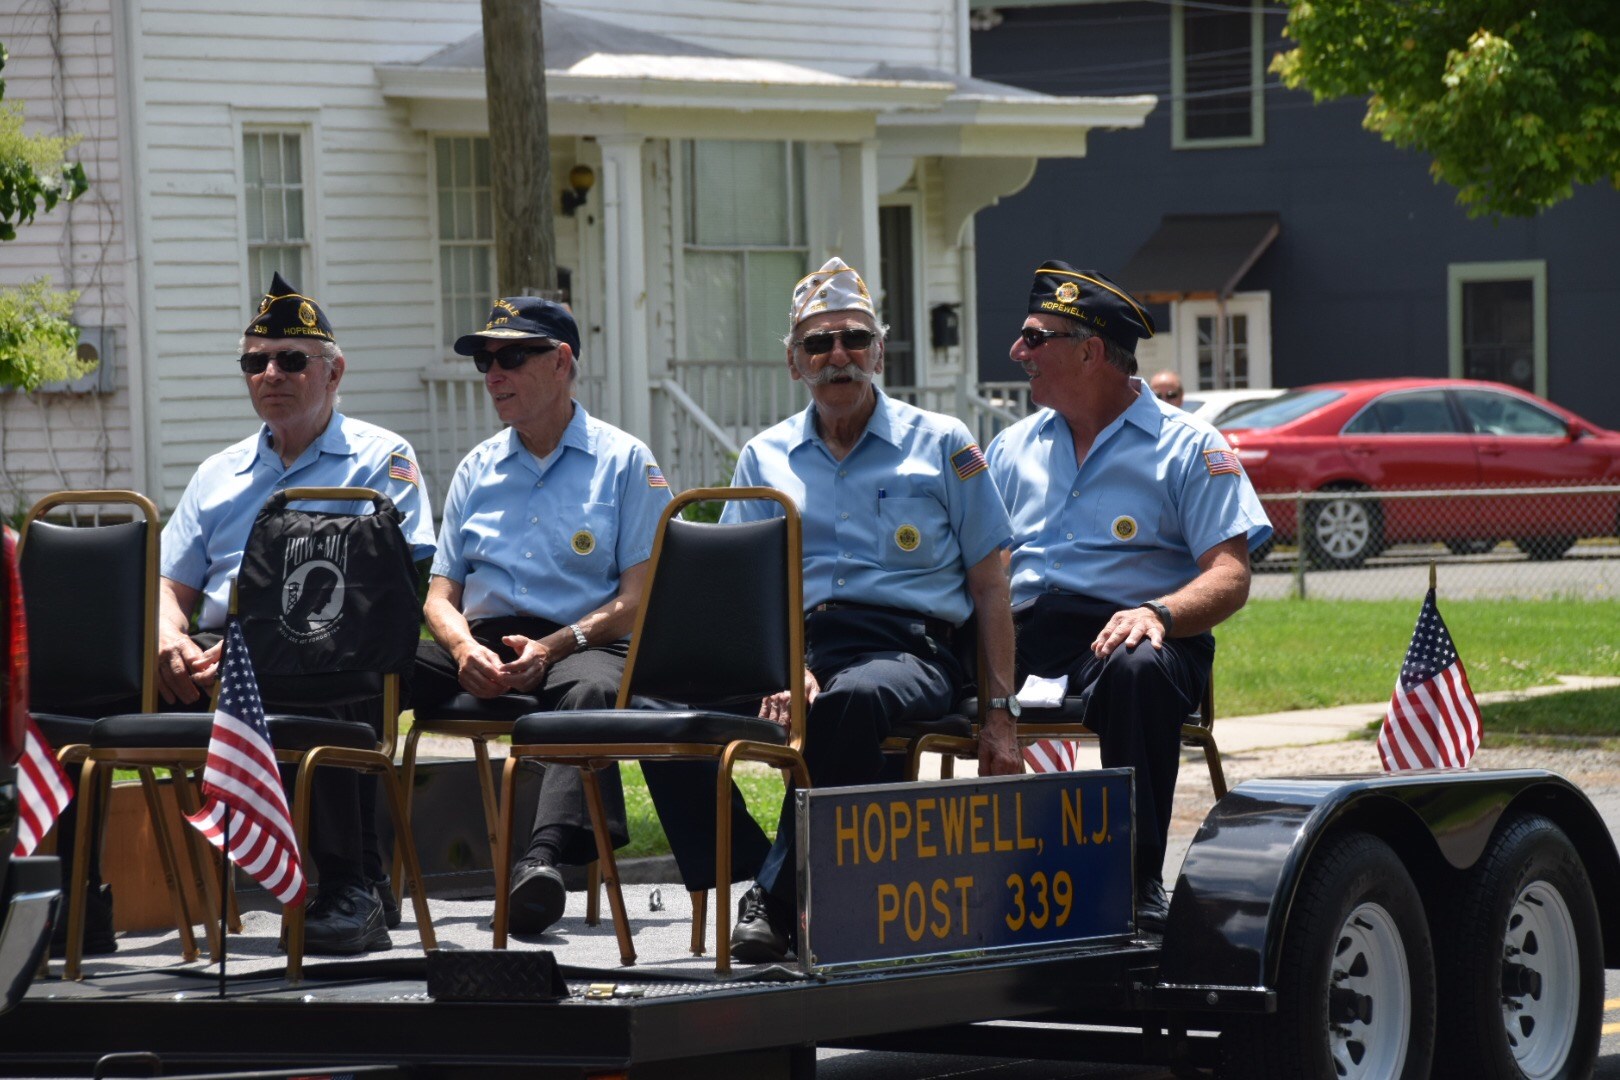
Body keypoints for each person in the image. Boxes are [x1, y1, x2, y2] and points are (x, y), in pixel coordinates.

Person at [698, 256, 1021, 964]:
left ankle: (774, 897)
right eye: (819, 344)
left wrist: (1000, 715)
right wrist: (781, 666)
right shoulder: (763, 455)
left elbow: (992, 586)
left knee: (850, 702)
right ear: (794, 362)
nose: (837, 356)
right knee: (657, 704)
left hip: (908, 645)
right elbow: (742, 589)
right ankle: (803, 880)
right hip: (800, 644)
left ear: (878, 350)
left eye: (852, 340)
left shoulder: (944, 446)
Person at [155, 272, 437, 953]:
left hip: (330, 650)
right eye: (256, 362)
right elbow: (169, 585)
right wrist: (169, 640)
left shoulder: (381, 459)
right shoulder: (216, 473)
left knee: (322, 685)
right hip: (213, 659)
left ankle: (350, 888)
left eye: (291, 360)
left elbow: (398, 584)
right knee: (75, 692)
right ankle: (81, 898)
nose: (271, 373)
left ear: (334, 371)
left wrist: (257, 650)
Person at [986, 262, 1271, 933]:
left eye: (1035, 337)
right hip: (1026, 631)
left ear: (1089, 351)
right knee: (896, 676)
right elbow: (984, 568)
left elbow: (1231, 574)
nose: (1017, 353)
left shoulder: (1189, 445)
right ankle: (858, 895)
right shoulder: (1009, 448)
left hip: (1136, 631)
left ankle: (1136, 880)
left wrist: (1159, 614)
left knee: (1137, 669)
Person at [410, 296, 671, 936]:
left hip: (586, 640)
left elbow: (638, 599)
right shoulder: (477, 467)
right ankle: (350, 874)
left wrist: (552, 647)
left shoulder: (625, 461)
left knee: (589, 690)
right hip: (483, 643)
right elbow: (438, 596)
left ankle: (541, 862)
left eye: (512, 357)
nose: (494, 374)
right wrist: (464, 648)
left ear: (561, 363)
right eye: (486, 362)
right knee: (372, 660)